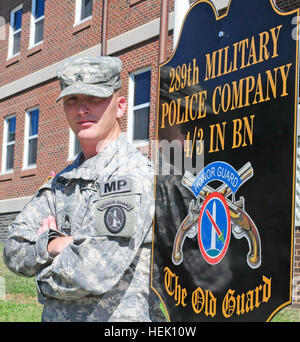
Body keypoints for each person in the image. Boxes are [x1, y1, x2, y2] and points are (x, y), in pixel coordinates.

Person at [3, 56, 155, 322]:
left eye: (94, 98)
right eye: (72, 100)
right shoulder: (62, 181)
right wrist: (53, 244)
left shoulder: (130, 175)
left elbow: (92, 270)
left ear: (120, 107)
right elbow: (13, 247)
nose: (81, 109)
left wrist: (40, 277)